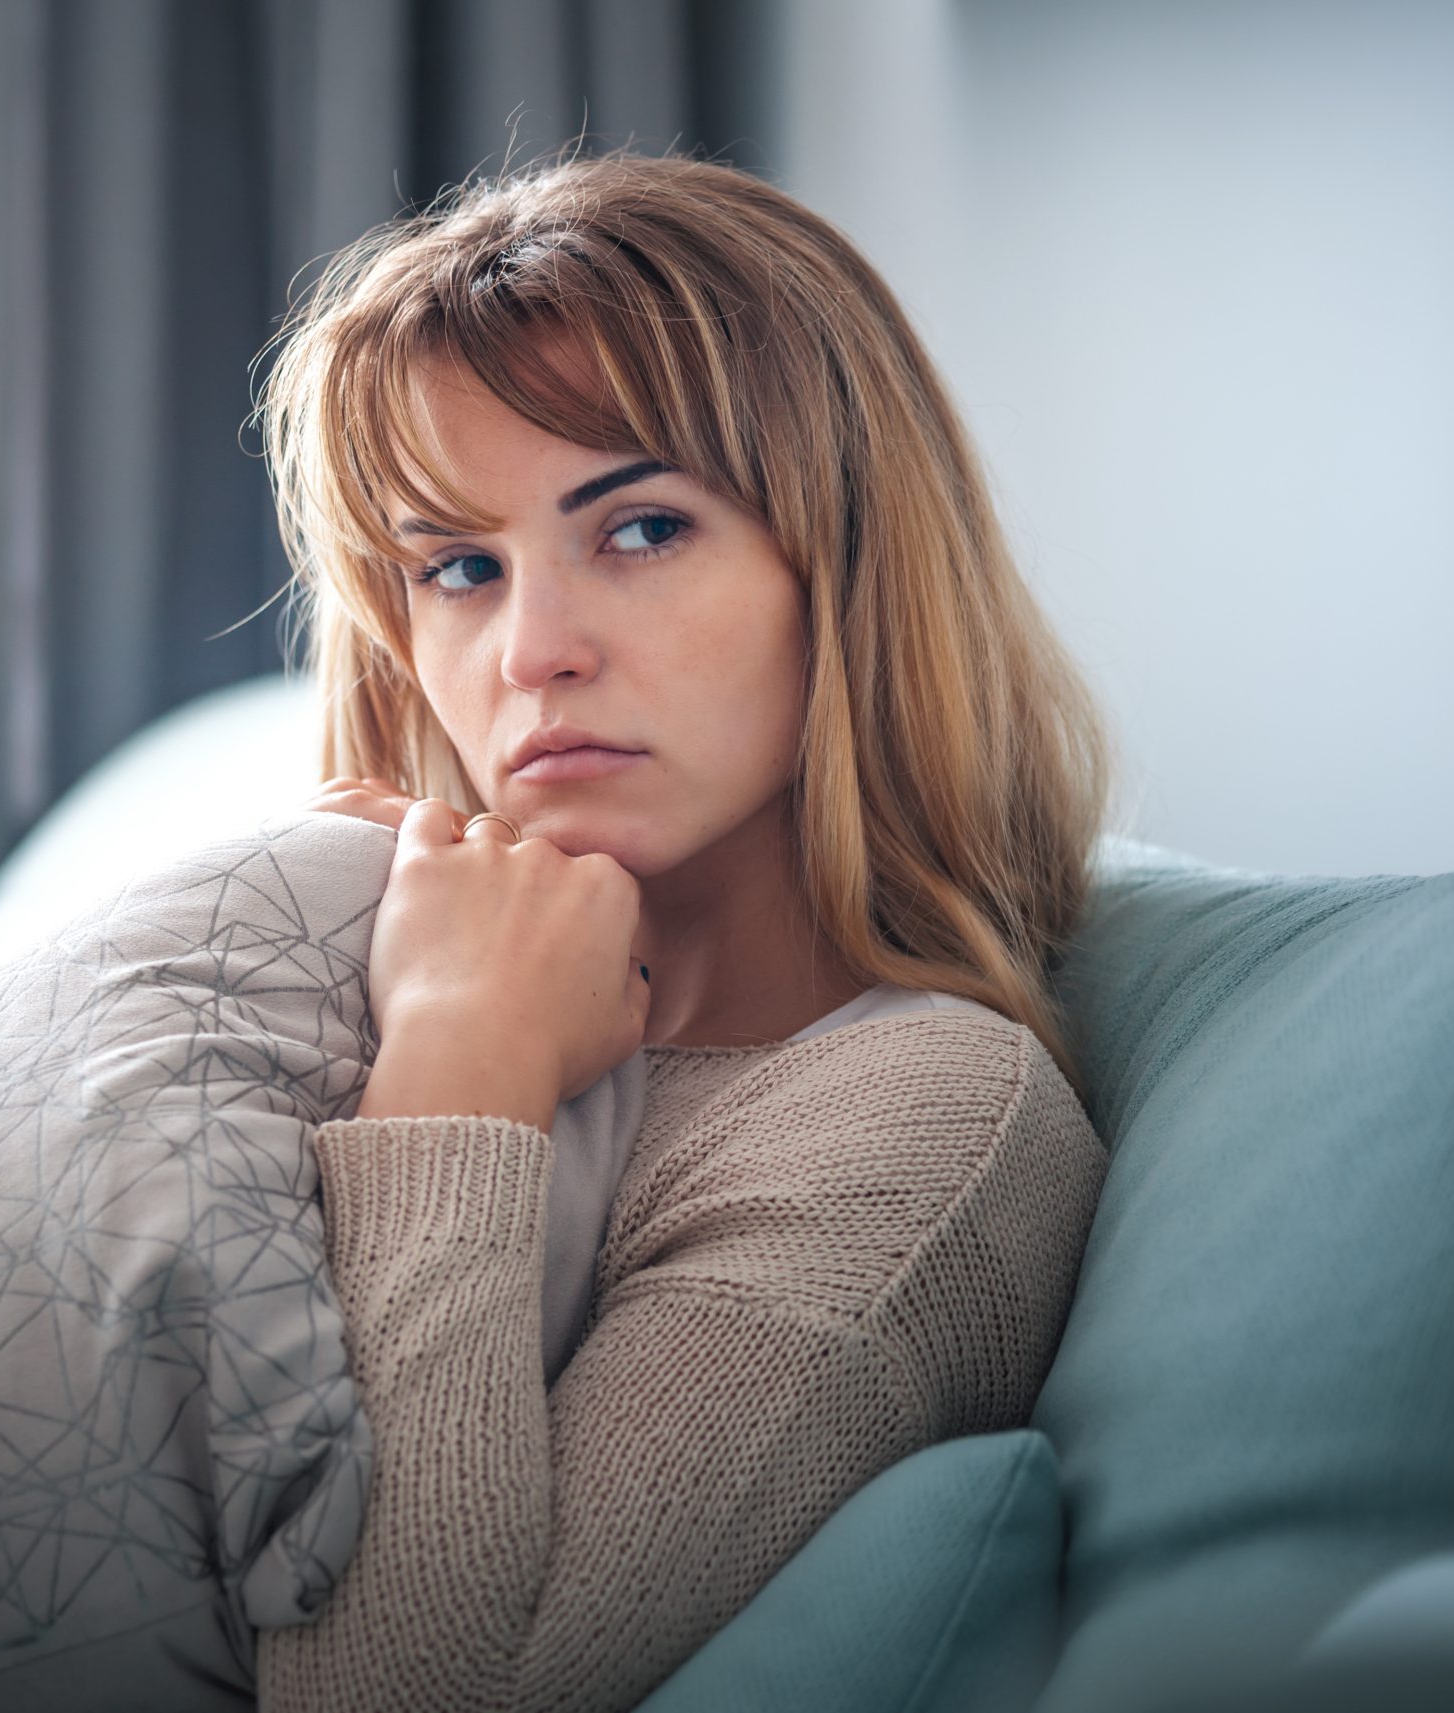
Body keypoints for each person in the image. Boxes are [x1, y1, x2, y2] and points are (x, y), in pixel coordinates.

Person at [244, 145, 1115, 1712]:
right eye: (458, 566)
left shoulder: (928, 1120)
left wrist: (464, 1053)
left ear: (842, 562)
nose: (535, 651)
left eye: (640, 529)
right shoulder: (315, 951)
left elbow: (402, 1692)